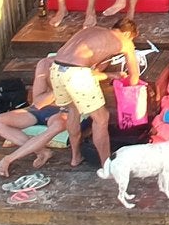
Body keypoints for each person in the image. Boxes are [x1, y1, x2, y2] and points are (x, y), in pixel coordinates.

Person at [48, 19, 141, 170]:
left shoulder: (92, 30)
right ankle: (107, 165)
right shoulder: (125, 41)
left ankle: (75, 157)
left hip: (57, 68)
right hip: (76, 73)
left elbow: (93, 64)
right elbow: (134, 76)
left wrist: (109, 74)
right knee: (101, 118)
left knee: (73, 111)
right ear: (128, 34)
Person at [0, 55, 65, 177]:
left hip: (63, 111)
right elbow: (38, 103)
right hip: (39, 110)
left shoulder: (83, 66)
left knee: (58, 125)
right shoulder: (46, 64)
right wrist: (60, 88)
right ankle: (41, 151)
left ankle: (9, 159)